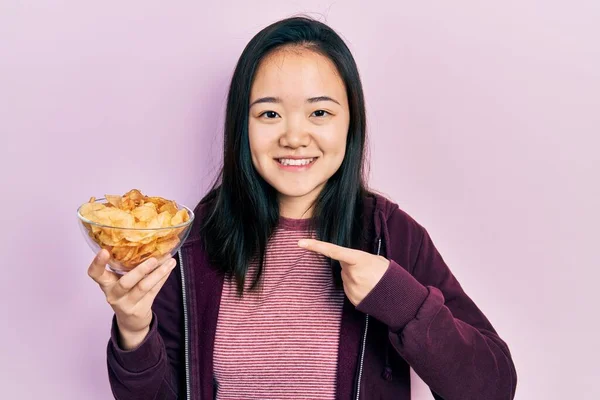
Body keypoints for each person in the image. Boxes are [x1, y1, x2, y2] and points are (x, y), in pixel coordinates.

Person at [88, 16, 517, 400]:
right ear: (243, 126)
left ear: (351, 123)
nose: (294, 136)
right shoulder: (196, 237)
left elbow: (493, 388)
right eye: (270, 114)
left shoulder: (392, 235)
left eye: (320, 112)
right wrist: (133, 326)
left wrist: (400, 300)